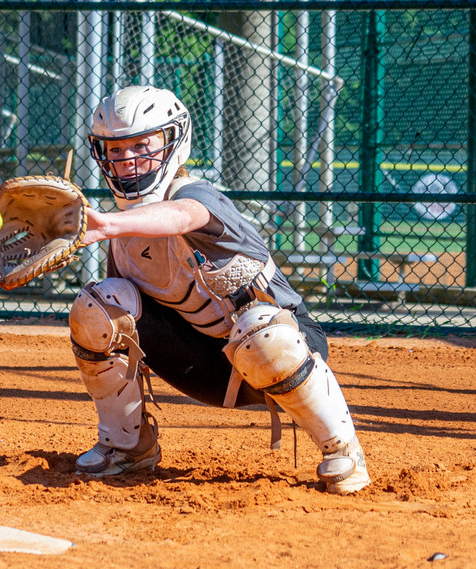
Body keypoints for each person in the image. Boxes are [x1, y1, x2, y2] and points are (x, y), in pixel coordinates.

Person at [67, 85, 370, 494]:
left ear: (174, 142)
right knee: (98, 305)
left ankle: (344, 452)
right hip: (204, 369)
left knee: (261, 328)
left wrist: (107, 225)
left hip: (285, 353)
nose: (128, 160)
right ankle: (128, 446)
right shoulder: (124, 231)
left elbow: (183, 215)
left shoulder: (194, 196)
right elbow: (125, 311)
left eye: (142, 144)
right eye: (116, 149)